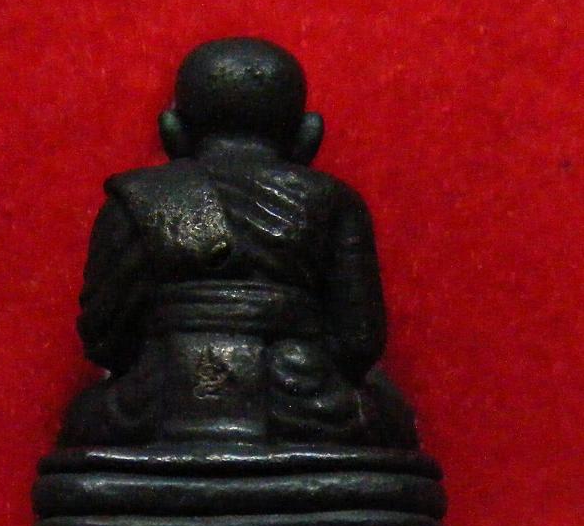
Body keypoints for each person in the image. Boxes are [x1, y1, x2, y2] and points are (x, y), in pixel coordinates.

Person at [60, 38, 416, 447]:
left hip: (156, 400)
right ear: (309, 134)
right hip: (298, 400)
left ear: (171, 130)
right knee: (385, 418)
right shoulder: (332, 200)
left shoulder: (137, 199)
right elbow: (359, 341)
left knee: (86, 420)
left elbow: (106, 340)